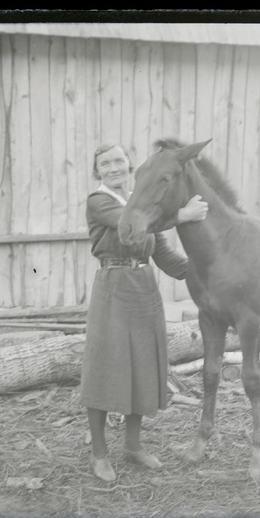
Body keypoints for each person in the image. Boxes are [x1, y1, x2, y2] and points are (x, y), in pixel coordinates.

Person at [81, 142, 208, 482]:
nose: (113, 168)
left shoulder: (139, 201)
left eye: (119, 161)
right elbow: (130, 225)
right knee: (105, 368)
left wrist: (203, 271)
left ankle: (133, 446)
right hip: (113, 285)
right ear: (98, 172)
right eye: (105, 163)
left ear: (129, 165)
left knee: (140, 366)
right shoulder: (99, 201)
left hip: (144, 289)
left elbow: (164, 256)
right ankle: (99, 454)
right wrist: (181, 215)